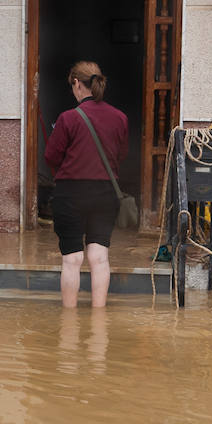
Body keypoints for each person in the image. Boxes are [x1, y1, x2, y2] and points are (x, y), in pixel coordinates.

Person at [43, 61, 129, 308]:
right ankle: (98, 321)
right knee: (99, 257)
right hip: (105, 193)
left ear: (77, 84)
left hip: (71, 193)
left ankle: (69, 322)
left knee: (72, 259)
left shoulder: (68, 118)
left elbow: (51, 156)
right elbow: (121, 155)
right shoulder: (120, 118)